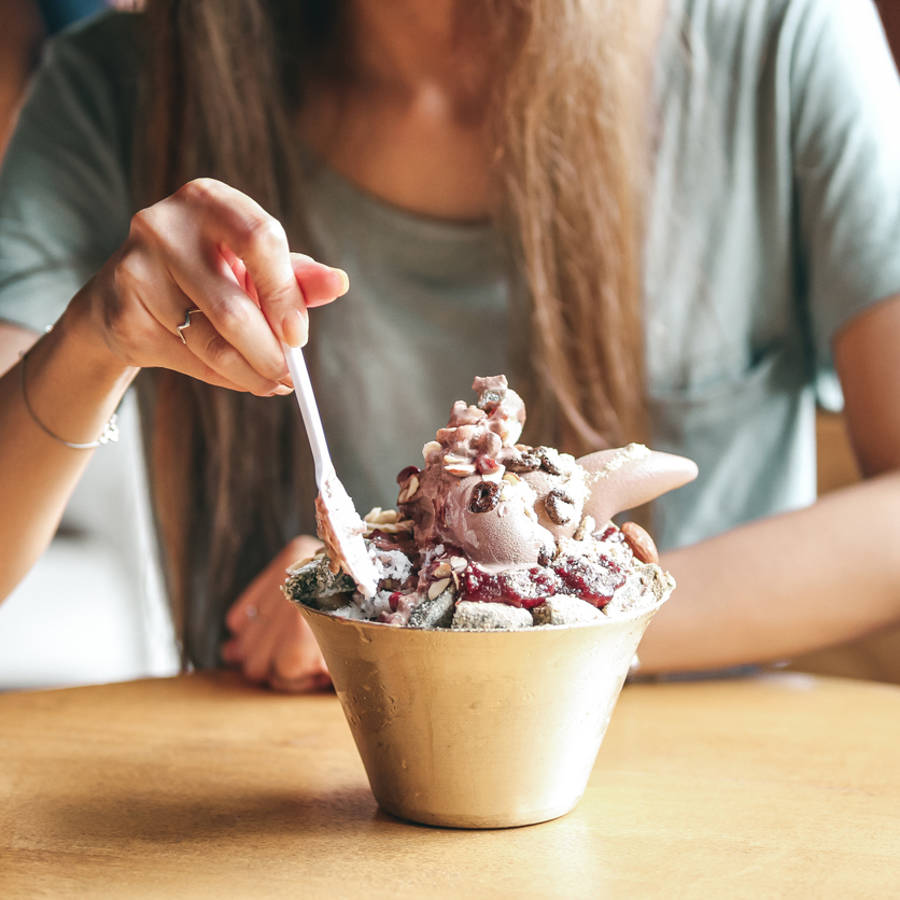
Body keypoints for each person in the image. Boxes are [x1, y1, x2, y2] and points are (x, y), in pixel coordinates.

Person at [1, 0, 899, 691]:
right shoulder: (119, 92)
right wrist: (93, 341)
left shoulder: (781, 37)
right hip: (291, 820)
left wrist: (473, 617)